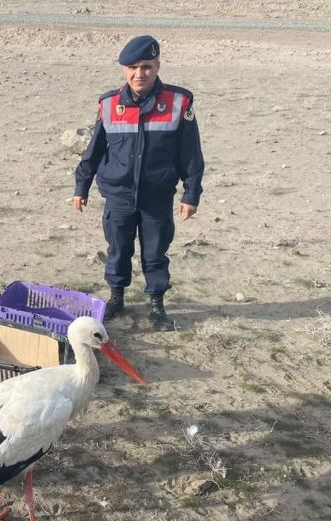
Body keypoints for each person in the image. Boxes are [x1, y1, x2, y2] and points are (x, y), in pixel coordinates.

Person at [73, 35, 205, 329]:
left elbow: (191, 155)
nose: (139, 73)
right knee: (117, 249)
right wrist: (81, 187)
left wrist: (191, 194)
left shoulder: (178, 102)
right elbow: (93, 152)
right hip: (119, 195)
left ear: (157, 66)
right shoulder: (108, 104)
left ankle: (157, 305)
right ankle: (117, 299)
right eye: (132, 67)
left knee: (155, 253)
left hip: (156, 196)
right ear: (124, 69)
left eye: (146, 66)